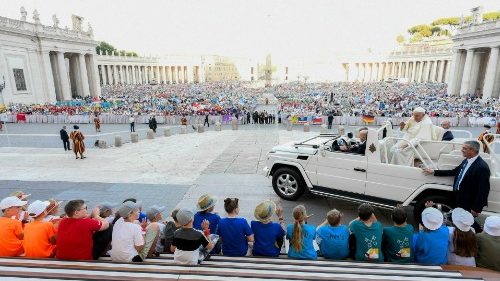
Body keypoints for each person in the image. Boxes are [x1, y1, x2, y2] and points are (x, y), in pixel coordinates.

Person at [423, 141, 490, 232]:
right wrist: (434, 172)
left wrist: (477, 208)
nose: (461, 150)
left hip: (469, 202)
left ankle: (479, 236)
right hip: (460, 197)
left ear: (472, 151)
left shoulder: (482, 167)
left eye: (464, 148)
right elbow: (453, 172)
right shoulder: (467, 161)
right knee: (462, 221)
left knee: (469, 222)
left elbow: (484, 190)